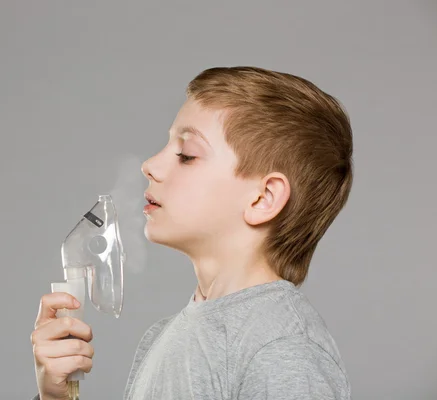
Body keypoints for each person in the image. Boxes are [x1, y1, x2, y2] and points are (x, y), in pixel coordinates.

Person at [30, 66, 353, 400]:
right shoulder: (161, 337)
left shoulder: (283, 350)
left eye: (186, 155)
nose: (150, 165)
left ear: (263, 198)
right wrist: (56, 397)